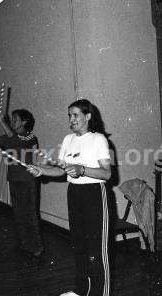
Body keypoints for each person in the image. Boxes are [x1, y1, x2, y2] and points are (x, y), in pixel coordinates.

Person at [27, 99, 111, 296]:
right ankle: (81, 291)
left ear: (88, 116)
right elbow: (62, 171)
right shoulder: (67, 140)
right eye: (69, 115)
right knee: (79, 245)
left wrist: (81, 169)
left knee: (96, 251)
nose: (71, 119)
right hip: (74, 193)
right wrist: (41, 170)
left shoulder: (98, 139)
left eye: (75, 115)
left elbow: (107, 174)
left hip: (94, 194)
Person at [0, 109, 44, 258]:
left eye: (15, 119)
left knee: (31, 215)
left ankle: (37, 246)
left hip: (28, 181)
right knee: (18, 214)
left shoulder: (30, 137)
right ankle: (24, 244)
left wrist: (2, 122)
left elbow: (17, 140)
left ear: (24, 122)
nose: (12, 122)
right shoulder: (10, 137)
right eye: (12, 119)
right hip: (14, 180)